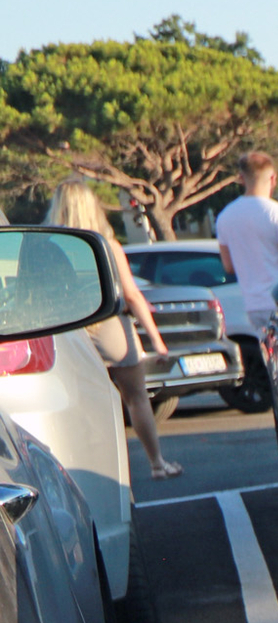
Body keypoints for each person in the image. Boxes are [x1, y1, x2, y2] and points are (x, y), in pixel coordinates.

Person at [44, 181, 183, 480]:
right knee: (136, 398)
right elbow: (132, 295)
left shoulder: (48, 246)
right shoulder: (107, 245)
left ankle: (88, 472)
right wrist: (156, 341)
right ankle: (157, 463)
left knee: (80, 404)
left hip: (70, 330)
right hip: (110, 326)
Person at [214, 148, 278, 343]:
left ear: (241, 178)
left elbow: (229, 266)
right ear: (273, 178)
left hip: (253, 305)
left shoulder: (225, 217)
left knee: (271, 361)